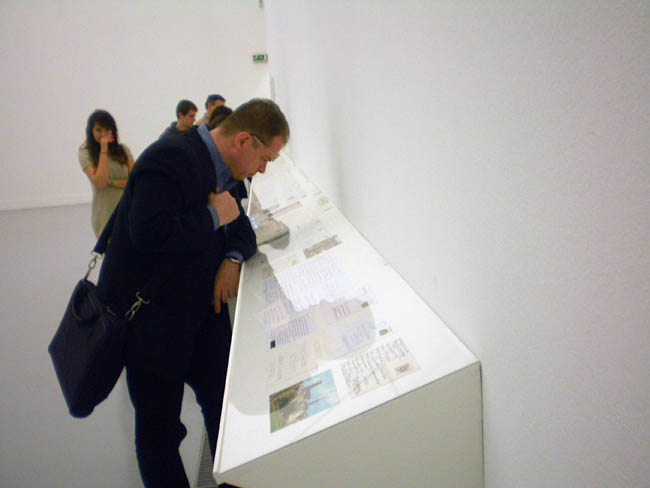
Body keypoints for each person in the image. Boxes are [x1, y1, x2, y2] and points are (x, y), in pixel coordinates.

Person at [96, 98, 289, 488]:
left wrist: (231, 258)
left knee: (226, 412)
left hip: (200, 316)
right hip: (151, 327)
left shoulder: (225, 169)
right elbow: (148, 234)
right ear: (243, 141)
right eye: (265, 158)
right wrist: (215, 215)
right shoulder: (167, 158)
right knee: (159, 436)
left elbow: (242, 230)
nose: (263, 169)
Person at [79, 109, 135, 237]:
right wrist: (103, 150)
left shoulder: (123, 150)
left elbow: (134, 181)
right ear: (91, 131)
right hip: (105, 214)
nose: (103, 134)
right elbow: (100, 183)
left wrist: (111, 182)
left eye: (107, 130)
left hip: (128, 210)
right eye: (98, 130)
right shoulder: (85, 153)